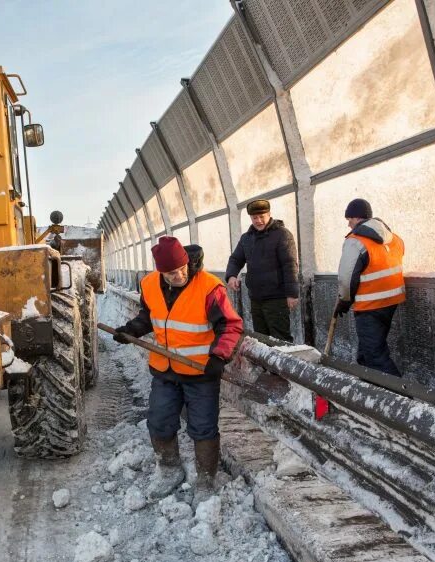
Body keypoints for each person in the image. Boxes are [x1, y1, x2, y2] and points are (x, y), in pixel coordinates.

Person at [113, 237, 243, 506]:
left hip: (201, 374)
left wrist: (220, 355)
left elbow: (230, 326)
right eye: (172, 273)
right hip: (165, 369)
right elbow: (148, 317)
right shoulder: (149, 285)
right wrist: (132, 330)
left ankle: (206, 480)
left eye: (183, 268)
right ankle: (169, 470)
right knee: (159, 420)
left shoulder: (209, 288)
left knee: (204, 427)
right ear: (161, 271)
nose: (180, 275)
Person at [334, 198, 405, 376]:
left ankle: (402, 398)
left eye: (350, 219)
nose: (349, 225)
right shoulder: (394, 238)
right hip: (391, 301)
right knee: (367, 352)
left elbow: (347, 277)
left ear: (358, 218)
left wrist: (344, 301)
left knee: (375, 356)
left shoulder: (355, 241)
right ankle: (369, 390)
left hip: (370, 305)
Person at [224, 199, 299, 342]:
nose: (258, 221)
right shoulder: (247, 238)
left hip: (276, 298)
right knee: (261, 338)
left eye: (262, 216)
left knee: (280, 339)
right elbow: (236, 259)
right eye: (254, 218)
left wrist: (292, 293)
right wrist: (231, 276)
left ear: (269, 214)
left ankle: (282, 364)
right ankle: (264, 365)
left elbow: (289, 264)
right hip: (256, 298)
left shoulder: (282, 235)